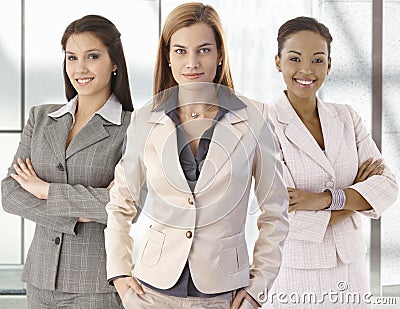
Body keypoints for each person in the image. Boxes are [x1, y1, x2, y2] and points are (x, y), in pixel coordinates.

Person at [104, 2, 289, 309]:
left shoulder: (255, 117)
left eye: (203, 50)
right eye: (180, 51)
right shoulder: (145, 119)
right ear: (168, 57)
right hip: (151, 292)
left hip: (223, 294)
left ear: (219, 55)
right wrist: (120, 275)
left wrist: (259, 285)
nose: (192, 62)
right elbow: (121, 202)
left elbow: (275, 210)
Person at [1, 14, 133, 308]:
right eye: (72, 57)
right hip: (39, 278)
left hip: (97, 284)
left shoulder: (132, 128)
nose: (80, 68)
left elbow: (123, 204)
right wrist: (76, 214)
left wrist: (44, 190)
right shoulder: (41, 117)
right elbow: (9, 193)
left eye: (92, 56)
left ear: (114, 63)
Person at [268, 16, 398, 308]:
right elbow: (281, 215)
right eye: (294, 58)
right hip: (296, 273)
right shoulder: (266, 124)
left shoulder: (346, 117)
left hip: (351, 269)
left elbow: (388, 186)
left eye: (317, 60)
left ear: (329, 64)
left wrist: (322, 199)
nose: (306, 70)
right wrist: (356, 197)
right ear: (278, 62)